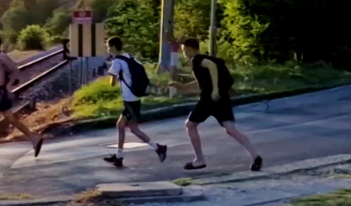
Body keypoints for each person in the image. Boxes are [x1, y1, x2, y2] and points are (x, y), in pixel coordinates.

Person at [180, 38, 262, 172]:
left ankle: (199, 160)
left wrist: (215, 89)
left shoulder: (197, 59)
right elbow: (200, 84)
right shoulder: (199, 61)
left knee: (190, 125)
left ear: (190, 48)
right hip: (221, 98)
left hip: (209, 99)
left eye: (184, 50)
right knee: (231, 129)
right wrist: (181, 87)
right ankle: (255, 156)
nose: (183, 53)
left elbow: (211, 65)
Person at [0, 34, 44, 162]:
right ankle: (34, 138)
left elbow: (15, 70)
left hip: (1, 92)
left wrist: (9, 86)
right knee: (10, 118)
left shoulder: (2, 57)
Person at [103, 37, 167, 168]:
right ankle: (119, 156)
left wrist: (115, 76)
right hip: (133, 97)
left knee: (134, 129)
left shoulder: (117, 61)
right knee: (120, 125)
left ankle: (158, 148)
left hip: (130, 99)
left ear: (114, 46)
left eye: (108, 46)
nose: (107, 49)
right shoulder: (129, 57)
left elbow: (112, 83)